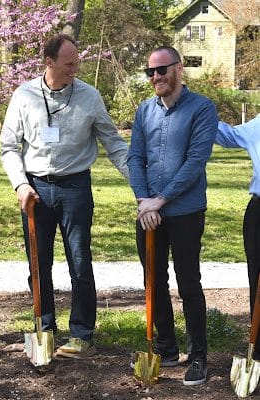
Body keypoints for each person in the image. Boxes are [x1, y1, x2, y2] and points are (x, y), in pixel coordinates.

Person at [0, 33, 128, 358]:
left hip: (75, 189)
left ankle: (82, 334)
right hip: (36, 189)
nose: (75, 69)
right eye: (69, 64)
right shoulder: (24, 95)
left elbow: (114, 145)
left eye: (77, 63)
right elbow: (8, 147)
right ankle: (44, 331)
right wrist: (20, 184)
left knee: (80, 262)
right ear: (49, 62)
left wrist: (141, 183)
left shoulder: (90, 97)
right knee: (38, 264)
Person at [127, 46, 218, 385]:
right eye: (150, 72)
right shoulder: (144, 111)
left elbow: (195, 163)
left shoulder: (202, 108)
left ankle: (198, 357)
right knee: (153, 281)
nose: (155, 78)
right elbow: (135, 158)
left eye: (162, 70)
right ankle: (165, 348)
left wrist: (159, 201)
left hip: (185, 211)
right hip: (148, 209)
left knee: (188, 282)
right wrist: (144, 201)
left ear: (179, 69)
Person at [216, 114, 260, 361]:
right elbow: (227, 135)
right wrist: (197, 110)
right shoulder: (259, 124)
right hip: (258, 211)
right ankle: (259, 351)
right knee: (257, 281)